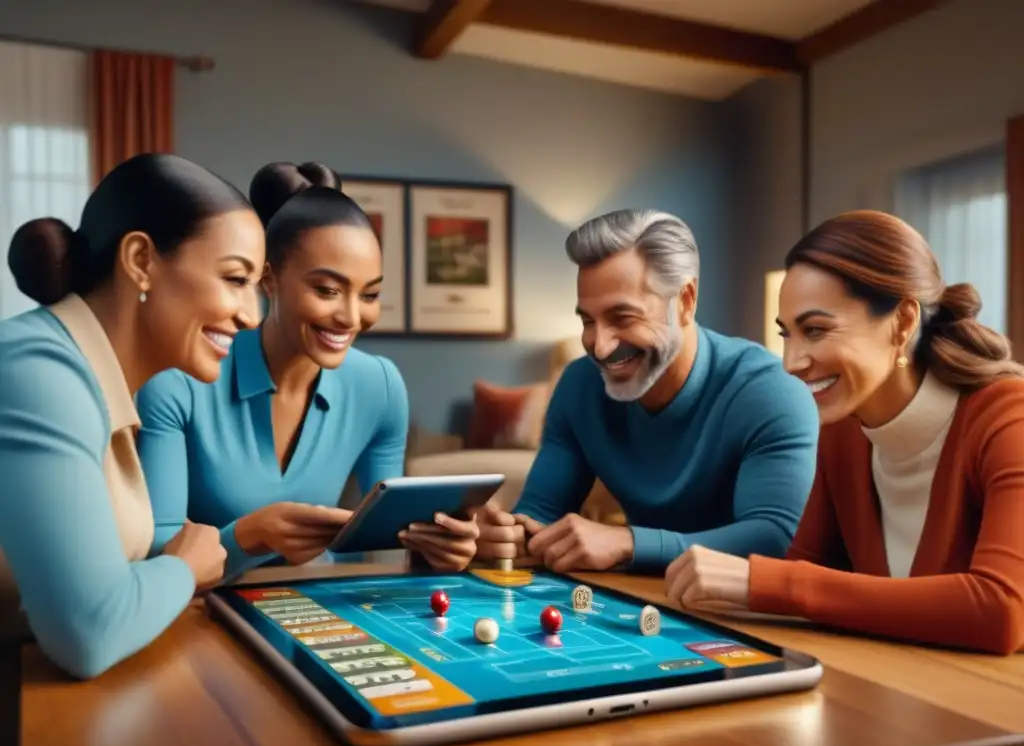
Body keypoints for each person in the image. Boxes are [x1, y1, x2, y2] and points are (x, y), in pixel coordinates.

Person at [665, 210, 1024, 655]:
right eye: (788, 335)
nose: (791, 362)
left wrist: (766, 581)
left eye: (815, 330)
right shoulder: (843, 433)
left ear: (904, 321)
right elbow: (802, 581)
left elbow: (1001, 610)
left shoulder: (1008, 418)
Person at [136, 162, 478, 580]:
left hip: (318, 602)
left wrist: (440, 548)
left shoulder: (380, 386)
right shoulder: (177, 382)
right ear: (268, 279)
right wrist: (247, 537)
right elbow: (156, 558)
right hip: (201, 615)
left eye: (369, 294)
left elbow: (389, 541)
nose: (351, 317)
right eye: (327, 290)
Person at [0, 153, 267, 678]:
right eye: (235, 278)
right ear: (141, 259)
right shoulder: (40, 375)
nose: (252, 314)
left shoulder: (93, 376)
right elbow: (88, 631)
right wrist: (183, 569)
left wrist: (231, 544)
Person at [474, 209, 820, 574]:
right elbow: (539, 516)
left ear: (685, 301)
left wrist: (628, 542)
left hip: (742, 615)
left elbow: (776, 537)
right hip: (638, 601)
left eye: (623, 317)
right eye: (588, 321)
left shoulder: (770, 393)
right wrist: (502, 536)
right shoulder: (578, 386)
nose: (602, 347)